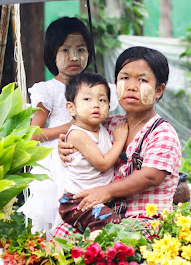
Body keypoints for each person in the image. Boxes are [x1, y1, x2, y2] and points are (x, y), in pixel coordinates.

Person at [54, 46, 181, 238]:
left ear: (158, 90)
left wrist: (107, 191)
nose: (131, 86)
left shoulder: (163, 133)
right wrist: (64, 144)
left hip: (145, 219)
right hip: (101, 217)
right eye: (124, 78)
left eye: (142, 80)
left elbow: (150, 177)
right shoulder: (108, 125)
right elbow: (78, 130)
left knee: (112, 247)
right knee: (59, 237)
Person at [18, 17, 117, 235]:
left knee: (94, 215)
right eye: (65, 50)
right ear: (52, 54)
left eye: (81, 49)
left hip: (93, 159)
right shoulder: (49, 90)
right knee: (63, 217)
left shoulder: (97, 88)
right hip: (61, 162)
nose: (74, 57)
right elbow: (34, 134)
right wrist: (70, 127)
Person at [58, 72, 128, 233]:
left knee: (105, 226)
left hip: (95, 200)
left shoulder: (100, 128)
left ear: (109, 108)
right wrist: (119, 141)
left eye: (102, 100)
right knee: (111, 224)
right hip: (76, 202)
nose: (96, 104)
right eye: (87, 99)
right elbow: (103, 164)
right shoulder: (77, 134)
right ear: (71, 107)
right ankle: (92, 254)